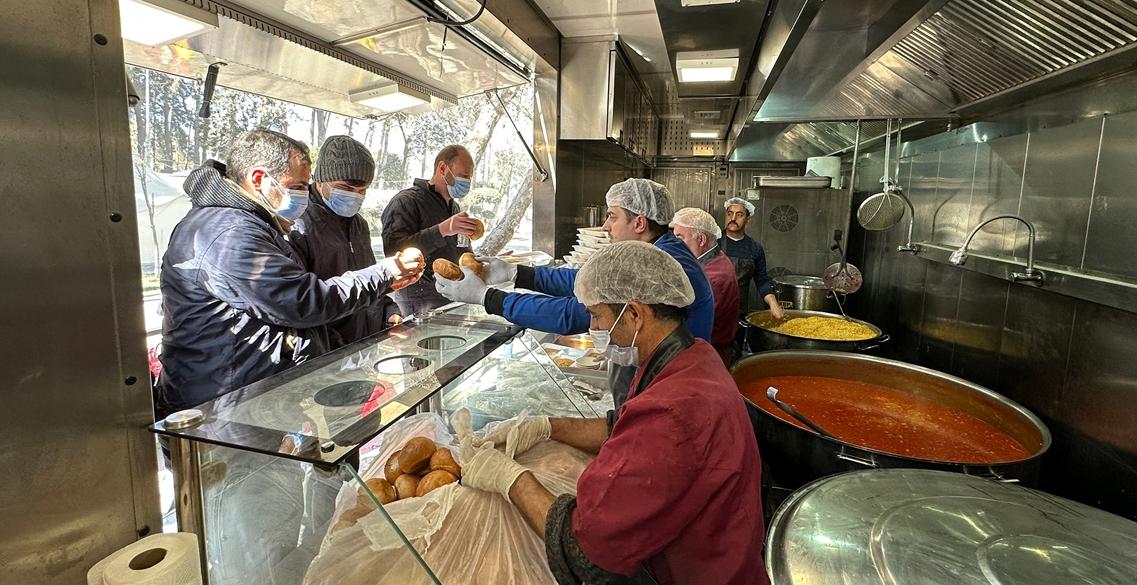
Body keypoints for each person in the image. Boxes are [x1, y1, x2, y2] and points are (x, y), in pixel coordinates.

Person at [456, 241, 768, 585]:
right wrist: (545, 427)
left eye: (596, 315)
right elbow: (621, 426)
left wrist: (510, 479)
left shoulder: (675, 412)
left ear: (634, 313)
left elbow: (586, 553)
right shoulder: (692, 357)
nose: (593, 328)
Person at [156, 128, 422, 420]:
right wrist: (385, 273)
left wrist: (385, 309)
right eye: (297, 185)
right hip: (222, 403)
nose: (302, 194)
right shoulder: (229, 233)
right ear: (259, 179)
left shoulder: (254, 225)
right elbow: (301, 301)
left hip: (250, 394)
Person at [434, 178, 714, 340]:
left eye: (612, 216)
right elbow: (590, 281)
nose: (606, 227)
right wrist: (517, 274)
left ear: (639, 222)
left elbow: (573, 314)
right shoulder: (657, 251)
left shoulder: (656, 265)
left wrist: (489, 298)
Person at [290, 135, 401, 348]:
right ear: (320, 180)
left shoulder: (359, 224)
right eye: (346, 188)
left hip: (364, 345)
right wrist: (335, 347)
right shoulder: (299, 225)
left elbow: (370, 279)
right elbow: (301, 303)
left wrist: (388, 310)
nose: (355, 197)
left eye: (363, 191)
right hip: (327, 352)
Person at [381, 144, 481, 316]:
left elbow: (460, 251)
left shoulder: (454, 207)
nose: (467, 183)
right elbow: (392, 250)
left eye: (469, 178)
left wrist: (481, 263)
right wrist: (441, 230)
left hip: (452, 298)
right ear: (442, 168)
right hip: (418, 303)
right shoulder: (406, 201)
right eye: (463, 176)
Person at [671, 207, 740, 365]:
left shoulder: (713, 278)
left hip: (708, 358)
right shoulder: (712, 258)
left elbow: (686, 327)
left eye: (679, 239)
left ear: (701, 240)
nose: (674, 245)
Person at [721, 197, 783, 319]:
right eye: (729, 214)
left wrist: (773, 303)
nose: (733, 219)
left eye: (739, 215)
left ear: (748, 219)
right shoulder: (712, 243)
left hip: (739, 312)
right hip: (713, 311)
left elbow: (762, 281)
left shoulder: (755, 248)